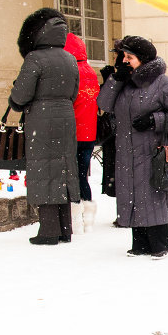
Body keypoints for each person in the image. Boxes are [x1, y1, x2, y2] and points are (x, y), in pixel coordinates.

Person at [104, 35, 168, 258]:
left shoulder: (162, 82)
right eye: (123, 56)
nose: (124, 61)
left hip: (153, 150)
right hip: (126, 150)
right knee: (132, 193)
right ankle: (140, 242)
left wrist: (154, 120)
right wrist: (115, 79)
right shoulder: (123, 80)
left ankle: (160, 243)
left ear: (142, 59)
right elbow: (103, 104)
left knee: (152, 194)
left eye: (129, 57)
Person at [8, 7, 80, 245]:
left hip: (42, 118)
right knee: (63, 168)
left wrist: (15, 95)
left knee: (44, 169)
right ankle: (65, 229)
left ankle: (48, 230)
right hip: (67, 118)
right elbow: (74, 92)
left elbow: (20, 96)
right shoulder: (70, 58)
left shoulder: (35, 58)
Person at [65, 32, 99, 232]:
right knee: (81, 175)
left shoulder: (71, 73)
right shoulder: (91, 72)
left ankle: (76, 218)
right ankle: (88, 217)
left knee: (73, 176)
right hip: (90, 132)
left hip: (74, 132)